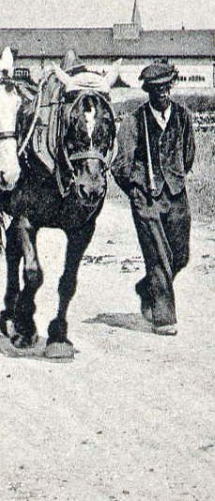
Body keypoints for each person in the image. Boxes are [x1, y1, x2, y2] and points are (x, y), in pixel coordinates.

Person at [111, 62, 196, 336]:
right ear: (148, 90)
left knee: (180, 256)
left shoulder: (183, 116)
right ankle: (163, 317)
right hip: (146, 199)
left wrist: (175, 177)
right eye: (156, 89)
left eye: (166, 88)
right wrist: (136, 192)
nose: (162, 93)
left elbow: (188, 154)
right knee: (158, 257)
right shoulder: (134, 121)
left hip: (176, 196)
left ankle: (146, 286)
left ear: (171, 87)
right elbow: (120, 166)